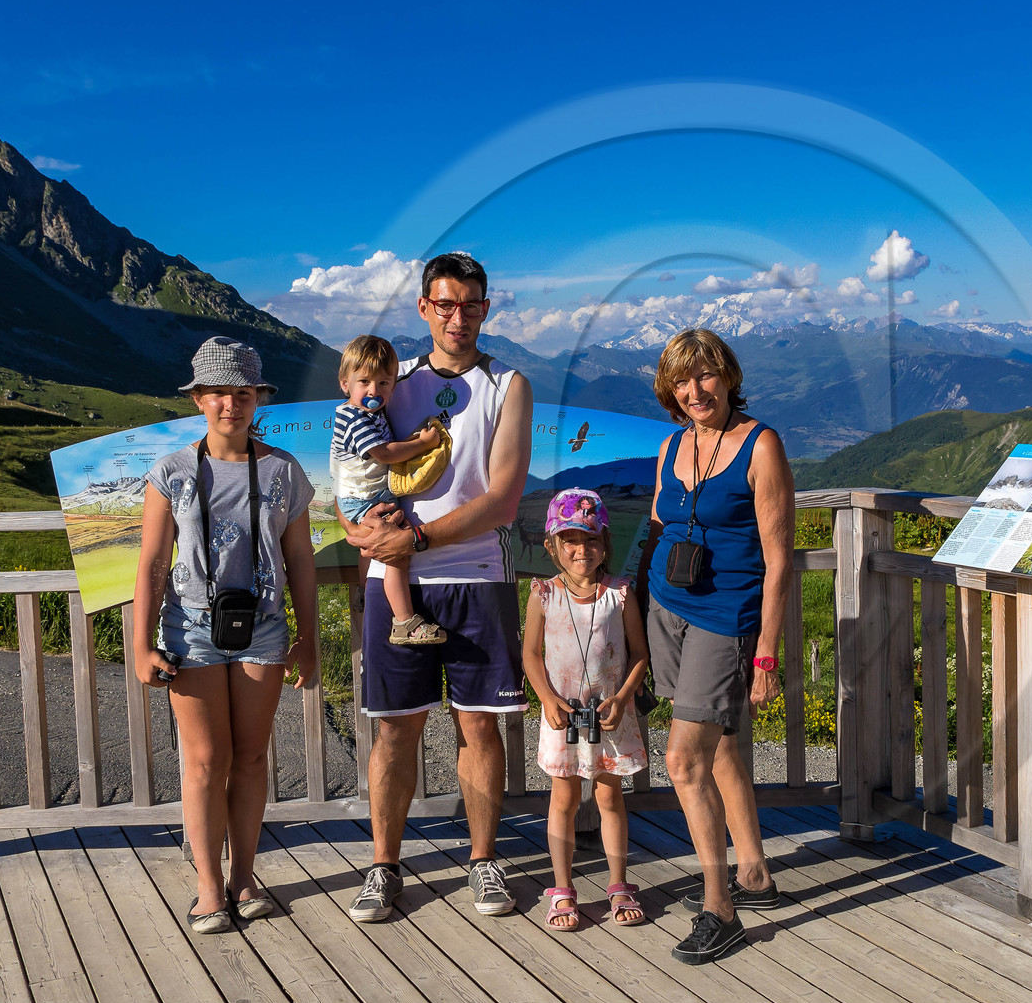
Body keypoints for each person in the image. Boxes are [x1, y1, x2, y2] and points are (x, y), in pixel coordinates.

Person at [340, 252, 533, 923]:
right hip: (395, 580)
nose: (458, 317)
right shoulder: (395, 381)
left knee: (480, 725)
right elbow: (351, 464)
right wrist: (355, 526)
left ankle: (484, 861)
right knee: (395, 730)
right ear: (423, 307)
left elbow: (504, 499)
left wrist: (416, 539)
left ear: (486, 308)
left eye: (471, 305)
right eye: (445, 304)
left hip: (476, 573)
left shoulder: (510, 384)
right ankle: (383, 866)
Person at [132, 336, 318, 934]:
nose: (229, 405)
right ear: (198, 401)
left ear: (258, 398)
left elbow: (300, 559)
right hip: (189, 629)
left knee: (252, 757)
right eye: (217, 394)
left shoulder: (285, 472)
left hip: (263, 627)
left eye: (241, 393)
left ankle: (244, 878)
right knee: (207, 761)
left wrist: (308, 637)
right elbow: (152, 562)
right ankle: (208, 887)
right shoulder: (172, 472)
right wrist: (140, 643)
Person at [644, 329, 795, 964]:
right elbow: (657, 524)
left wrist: (765, 654)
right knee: (722, 743)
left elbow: (780, 559)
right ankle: (754, 873)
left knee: (683, 760)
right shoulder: (673, 443)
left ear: (728, 377)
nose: (695, 390)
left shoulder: (761, 446)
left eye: (706, 376)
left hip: (725, 615)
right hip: (665, 606)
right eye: (683, 380)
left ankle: (718, 906)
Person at [521, 488, 650, 930]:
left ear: (605, 542)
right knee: (564, 798)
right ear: (553, 545)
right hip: (562, 715)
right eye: (570, 540)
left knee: (610, 796)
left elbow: (638, 654)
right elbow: (531, 655)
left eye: (591, 539)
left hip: (611, 713)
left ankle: (618, 884)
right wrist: (547, 698)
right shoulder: (542, 594)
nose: (582, 549)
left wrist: (622, 696)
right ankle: (562, 889)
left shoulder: (620, 593)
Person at [331, 333, 450, 646]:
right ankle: (404, 621)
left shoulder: (369, 413)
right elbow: (383, 453)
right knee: (397, 550)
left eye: (384, 383)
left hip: (361, 496)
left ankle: (364, 591)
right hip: (363, 499)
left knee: (370, 547)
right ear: (345, 383)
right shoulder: (354, 417)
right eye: (365, 382)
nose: (374, 391)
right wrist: (423, 444)